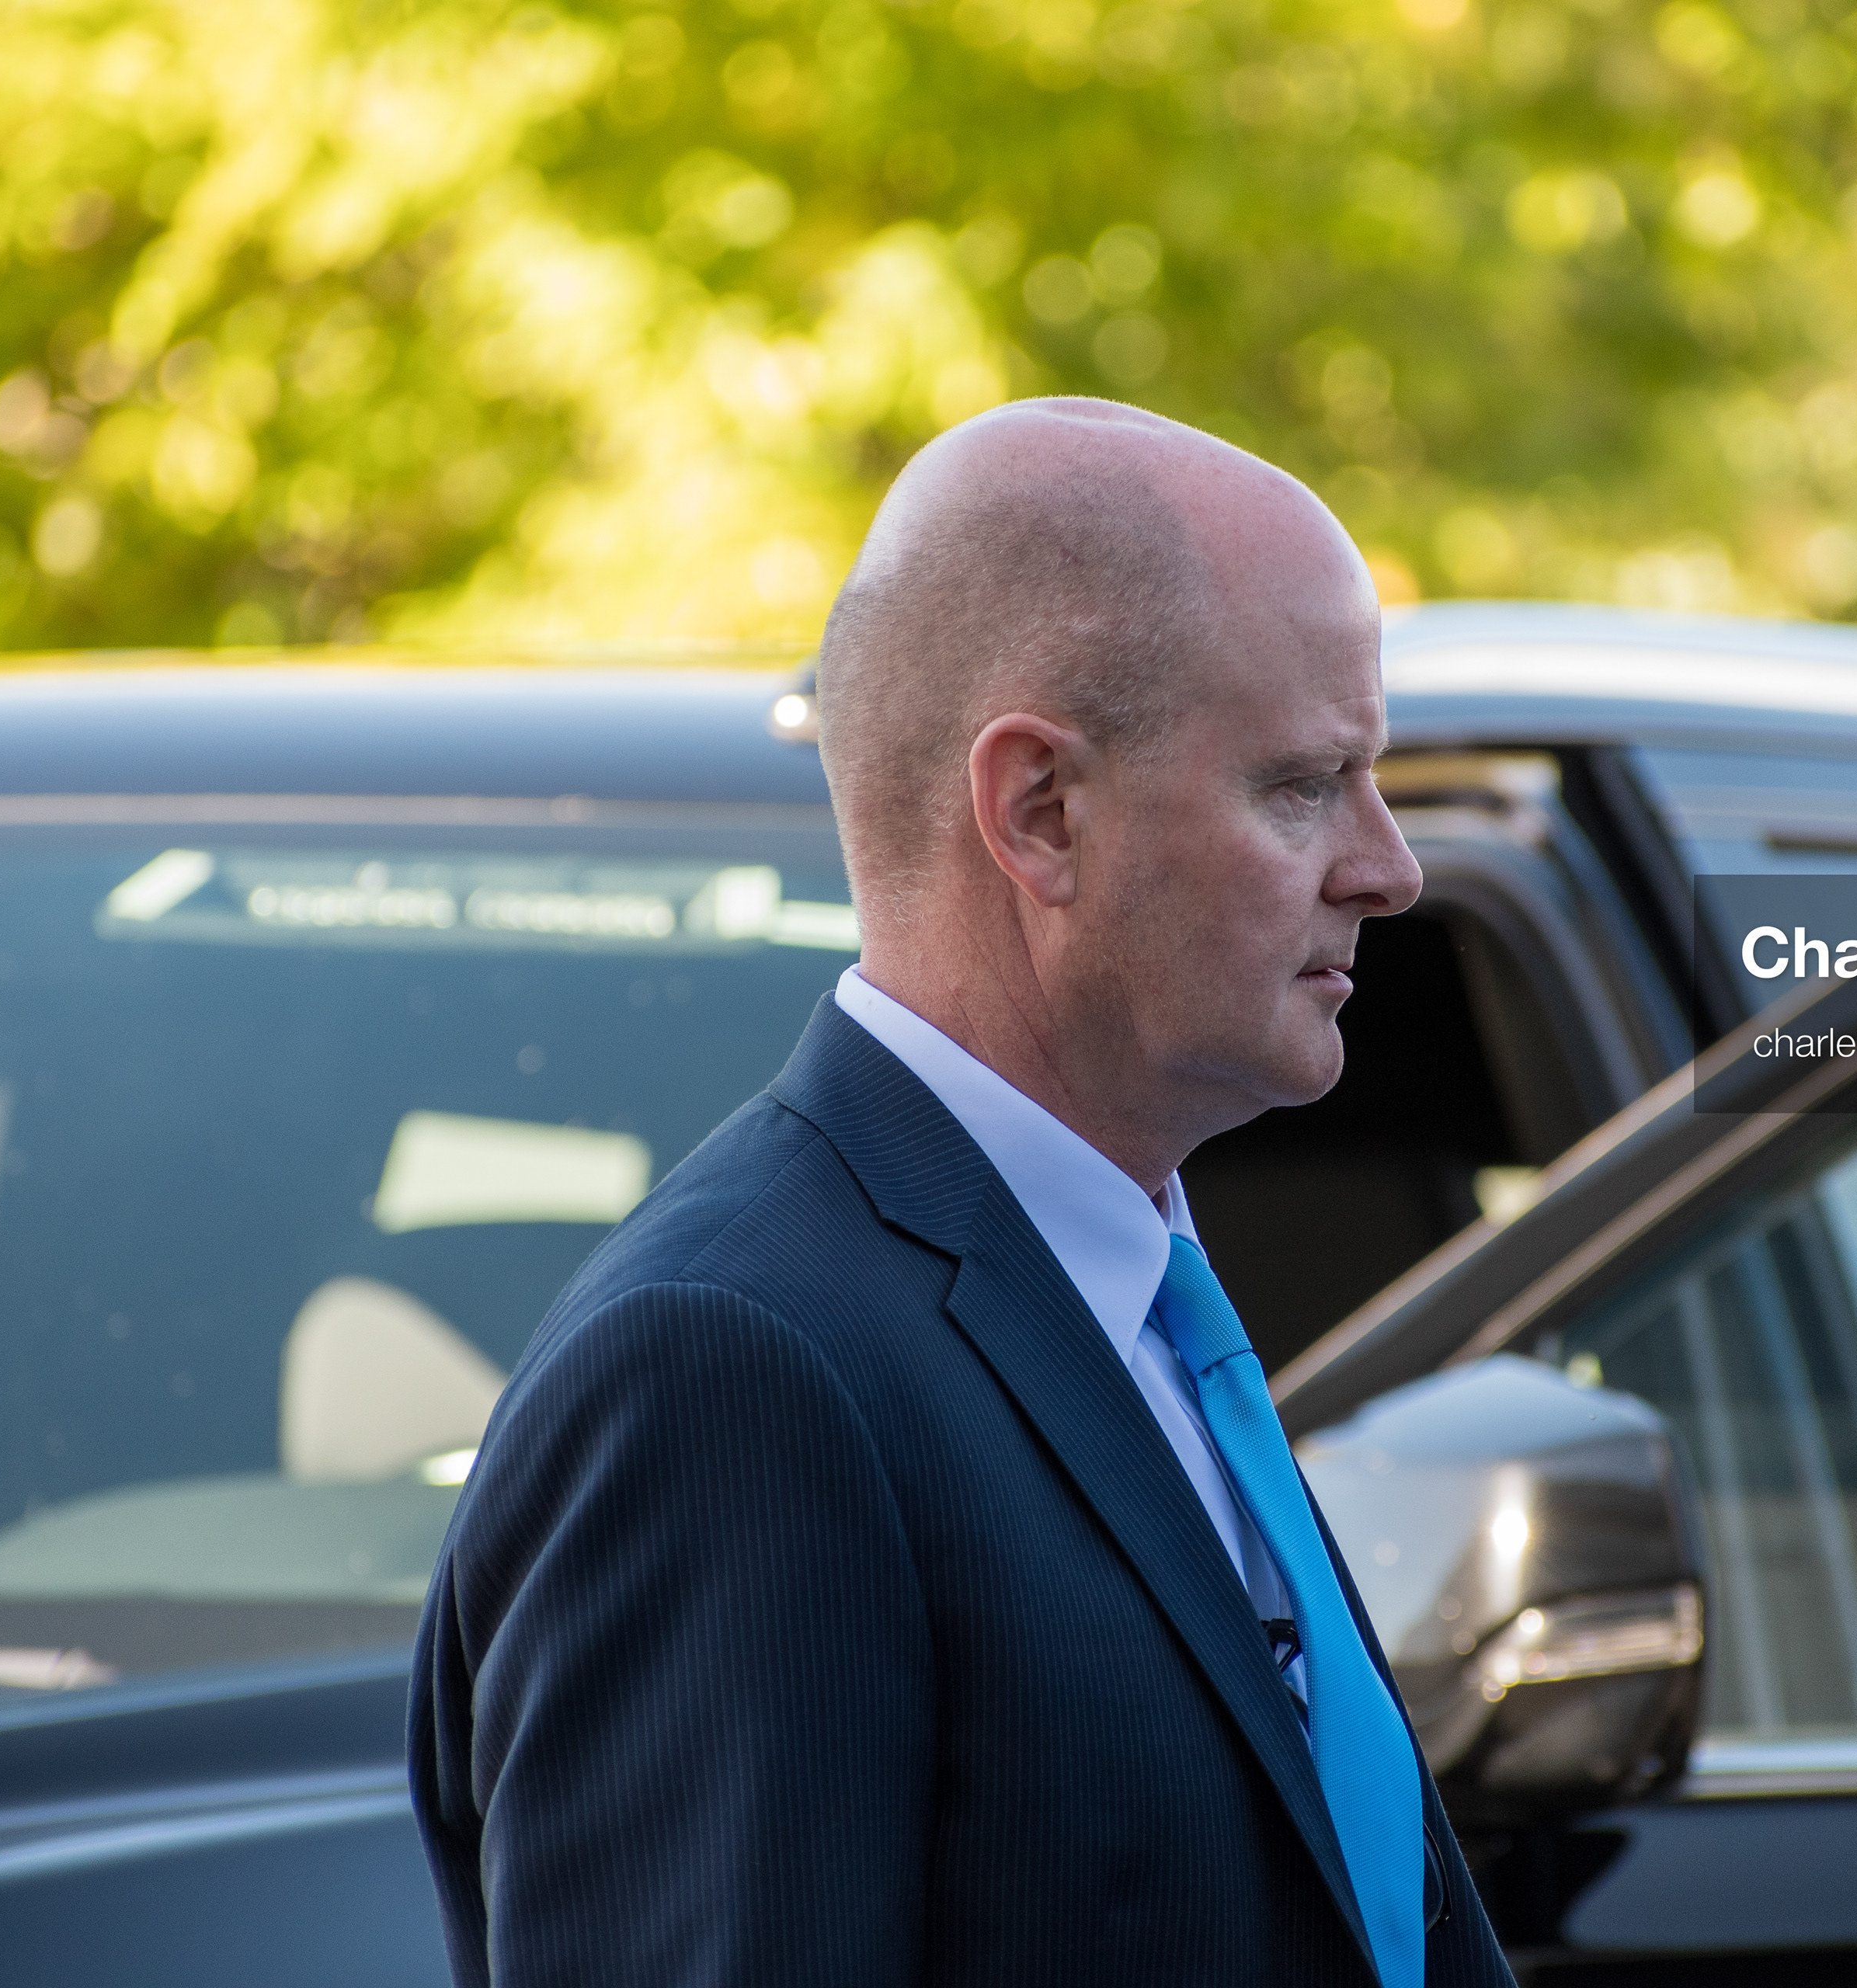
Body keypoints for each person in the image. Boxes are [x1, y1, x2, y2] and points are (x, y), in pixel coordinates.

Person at [409, 398, 1516, 1987]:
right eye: (1303, 784)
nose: (1389, 866)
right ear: (1039, 812)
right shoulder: (731, 1372)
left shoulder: (1124, 1302)